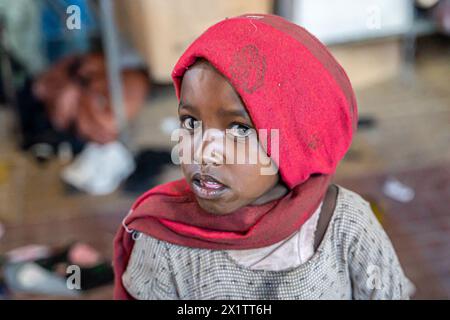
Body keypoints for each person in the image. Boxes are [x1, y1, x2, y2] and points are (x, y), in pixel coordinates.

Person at [113, 14, 414, 300]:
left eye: (239, 129)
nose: (203, 151)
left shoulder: (345, 225)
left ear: (295, 140)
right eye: (191, 123)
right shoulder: (161, 238)